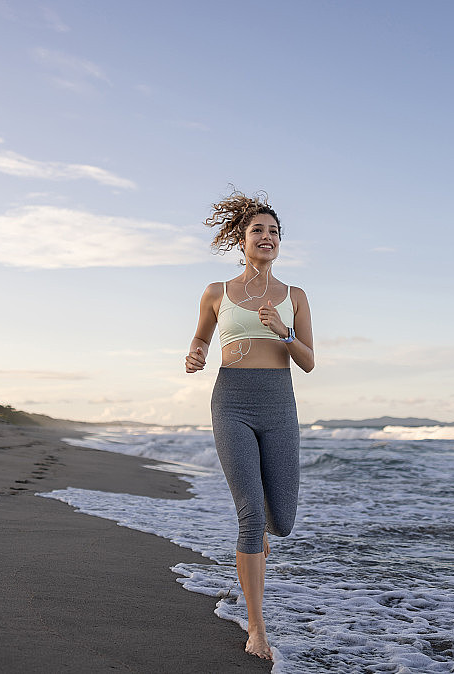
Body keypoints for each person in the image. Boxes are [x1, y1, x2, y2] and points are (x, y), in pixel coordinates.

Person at [185, 190, 314, 661]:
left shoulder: (294, 297)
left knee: (281, 521)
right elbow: (200, 335)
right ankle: (257, 628)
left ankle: (260, 531)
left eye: (274, 231)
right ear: (241, 241)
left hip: (279, 404)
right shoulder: (217, 292)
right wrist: (196, 351)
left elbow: (309, 362)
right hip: (232, 401)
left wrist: (285, 331)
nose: (267, 237)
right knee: (251, 517)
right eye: (258, 230)